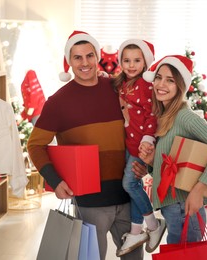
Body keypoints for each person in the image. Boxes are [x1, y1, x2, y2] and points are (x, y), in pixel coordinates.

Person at [27, 31, 144, 260]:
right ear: (69, 62)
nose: (84, 63)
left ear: (98, 56)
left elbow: (141, 130)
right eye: (77, 57)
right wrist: (55, 180)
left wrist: (144, 164)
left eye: (89, 56)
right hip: (90, 203)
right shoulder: (58, 102)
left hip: (128, 197)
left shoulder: (118, 90)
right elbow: (35, 145)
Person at [139, 55, 207, 244]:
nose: (161, 84)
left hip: (183, 208)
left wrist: (199, 189)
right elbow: (176, 161)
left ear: (180, 87)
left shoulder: (184, 116)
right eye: (158, 77)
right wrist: (152, 161)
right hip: (175, 208)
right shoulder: (166, 117)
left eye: (170, 80)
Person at [113, 39, 166, 256]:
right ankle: (136, 230)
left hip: (141, 145)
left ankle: (153, 225)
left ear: (145, 62)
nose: (131, 65)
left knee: (129, 184)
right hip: (128, 142)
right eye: (126, 60)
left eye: (137, 60)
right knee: (133, 184)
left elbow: (152, 113)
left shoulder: (146, 85)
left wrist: (148, 138)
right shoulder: (123, 83)